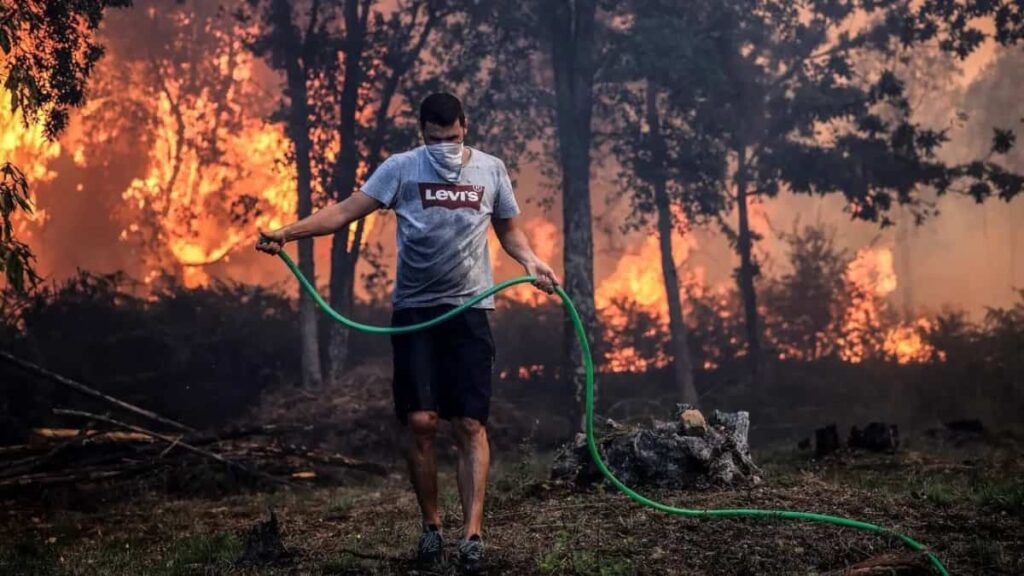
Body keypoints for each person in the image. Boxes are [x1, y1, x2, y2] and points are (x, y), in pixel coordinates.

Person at [256, 92, 557, 573]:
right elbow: (344, 212)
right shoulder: (400, 168)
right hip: (416, 311)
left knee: (470, 424)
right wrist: (286, 233)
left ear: (465, 127)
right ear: (423, 133)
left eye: (453, 138)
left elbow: (509, 230)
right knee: (421, 422)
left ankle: (472, 537)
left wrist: (531, 261)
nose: (446, 147)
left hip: (469, 310)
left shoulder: (491, 169)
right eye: (437, 140)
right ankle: (432, 528)